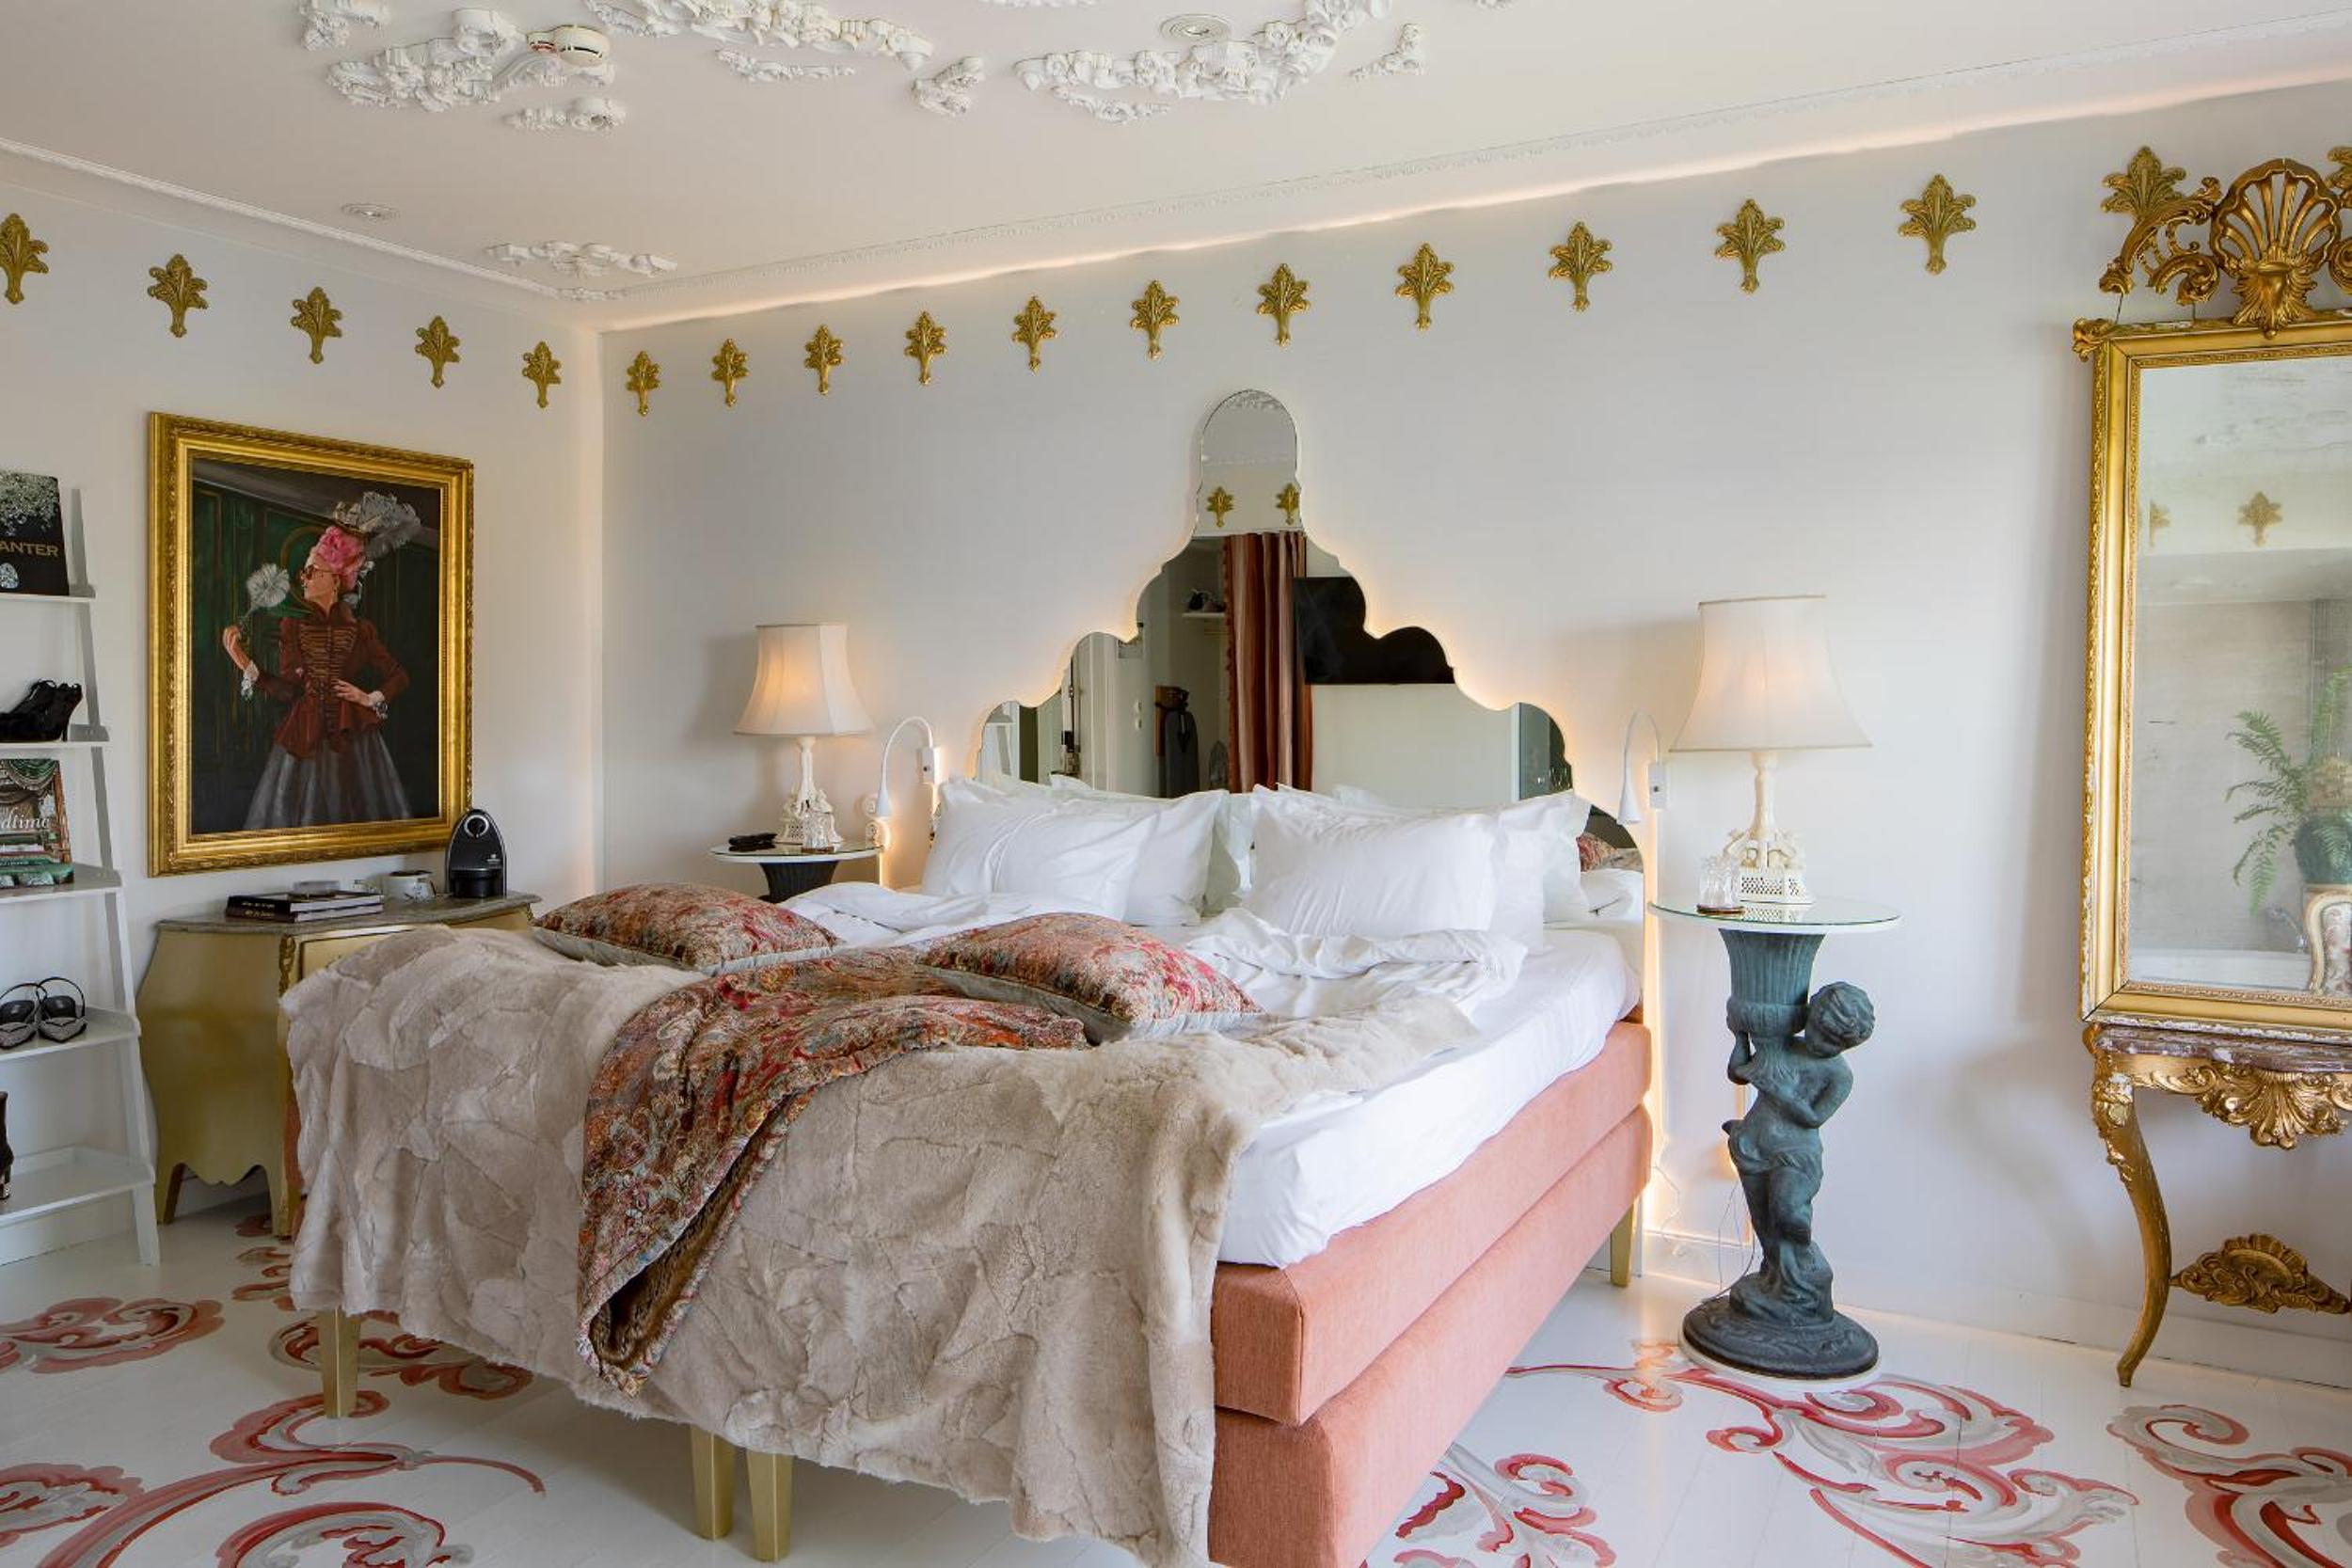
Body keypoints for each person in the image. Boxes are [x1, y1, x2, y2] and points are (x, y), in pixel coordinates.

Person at [221, 525, 412, 829]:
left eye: (312, 571)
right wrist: (243, 661)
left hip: (353, 737)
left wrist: (368, 698)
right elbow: (288, 692)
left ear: (335, 580)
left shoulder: (361, 630)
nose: (304, 578)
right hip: (305, 733)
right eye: (304, 572)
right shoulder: (292, 626)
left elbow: (398, 676)